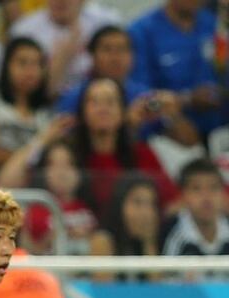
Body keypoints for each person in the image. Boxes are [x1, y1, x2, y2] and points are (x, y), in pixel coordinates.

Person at [56, 25, 201, 147]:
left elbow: (189, 142)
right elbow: (64, 147)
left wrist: (174, 115)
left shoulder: (144, 96)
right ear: (92, 55)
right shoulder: (74, 98)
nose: (115, 57)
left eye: (123, 49)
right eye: (107, 49)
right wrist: (128, 122)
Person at [65, 78, 178, 214]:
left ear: (123, 112)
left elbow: (174, 202)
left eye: (110, 102)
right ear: (82, 112)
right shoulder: (67, 156)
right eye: (94, 102)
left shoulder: (141, 153)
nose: (103, 109)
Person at [129, 0, 225, 136]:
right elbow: (139, 95)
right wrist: (186, 100)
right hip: (166, 134)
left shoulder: (213, 24)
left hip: (220, 129)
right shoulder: (141, 32)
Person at [0, 37, 52, 167]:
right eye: (23, 63)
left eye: (37, 64)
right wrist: (32, 156)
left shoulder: (44, 111)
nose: (31, 71)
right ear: (6, 65)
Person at [10, 0, 120, 95]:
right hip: (44, 102)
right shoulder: (23, 31)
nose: (61, 1)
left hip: (97, 96)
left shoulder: (107, 22)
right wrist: (64, 57)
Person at [23, 141, 98, 255]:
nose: (61, 172)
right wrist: (58, 235)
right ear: (44, 172)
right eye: (53, 165)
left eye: (68, 164)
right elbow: (29, 252)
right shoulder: (35, 211)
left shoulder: (90, 207)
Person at [90, 173, 162, 281]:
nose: (146, 212)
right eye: (137, 203)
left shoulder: (152, 240)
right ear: (119, 204)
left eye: (151, 204)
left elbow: (157, 287)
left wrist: (149, 244)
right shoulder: (103, 240)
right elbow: (103, 288)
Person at [161, 158, 229, 256]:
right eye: (196, 189)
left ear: (223, 193)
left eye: (213, 187)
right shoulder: (170, 232)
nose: (206, 197)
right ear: (183, 196)